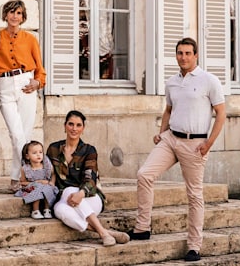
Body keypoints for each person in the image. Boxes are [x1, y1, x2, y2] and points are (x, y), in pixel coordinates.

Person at [127, 37, 226, 262]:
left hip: (195, 144)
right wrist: (161, 132)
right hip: (171, 139)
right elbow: (169, 110)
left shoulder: (209, 80)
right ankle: (142, 227)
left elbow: (221, 114)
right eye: (180, 53)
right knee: (144, 175)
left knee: (194, 195)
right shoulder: (171, 82)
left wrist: (208, 143)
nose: (183, 57)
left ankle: (194, 246)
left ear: (196, 55)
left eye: (188, 53)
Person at [47, 110, 130, 247]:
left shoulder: (89, 150)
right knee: (59, 210)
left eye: (78, 125)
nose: (74, 129)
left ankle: (103, 234)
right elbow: (46, 172)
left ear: (83, 128)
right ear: (65, 126)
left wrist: (81, 193)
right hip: (66, 200)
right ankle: (104, 232)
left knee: (70, 191)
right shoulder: (53, 149)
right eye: (71, 124)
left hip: (90, 198)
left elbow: (90, 178)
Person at [0, 0, 46, 193]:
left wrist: (38, 82)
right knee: (16, 134)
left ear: (23, 17)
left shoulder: (30, 39)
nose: (15, 16)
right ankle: (26, 174)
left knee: (25, 134)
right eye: (12, 12)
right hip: (5, 85)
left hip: (26, 84)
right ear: (5, 15)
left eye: (19, 13)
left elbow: (40, 67)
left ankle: (16, 178)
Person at [14, 140, 58, 219]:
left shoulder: (47, 166)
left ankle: (47, 209)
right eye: (34, 153)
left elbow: (53, 174)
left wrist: (52, 182)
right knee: (37, 188)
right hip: (32, 186)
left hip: (46, 185)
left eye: (40, 152)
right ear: (27, 156)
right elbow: (23, 182)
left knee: (48, 188)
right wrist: (37, 182)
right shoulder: (25, 168)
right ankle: (35, 210)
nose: (38, 155)